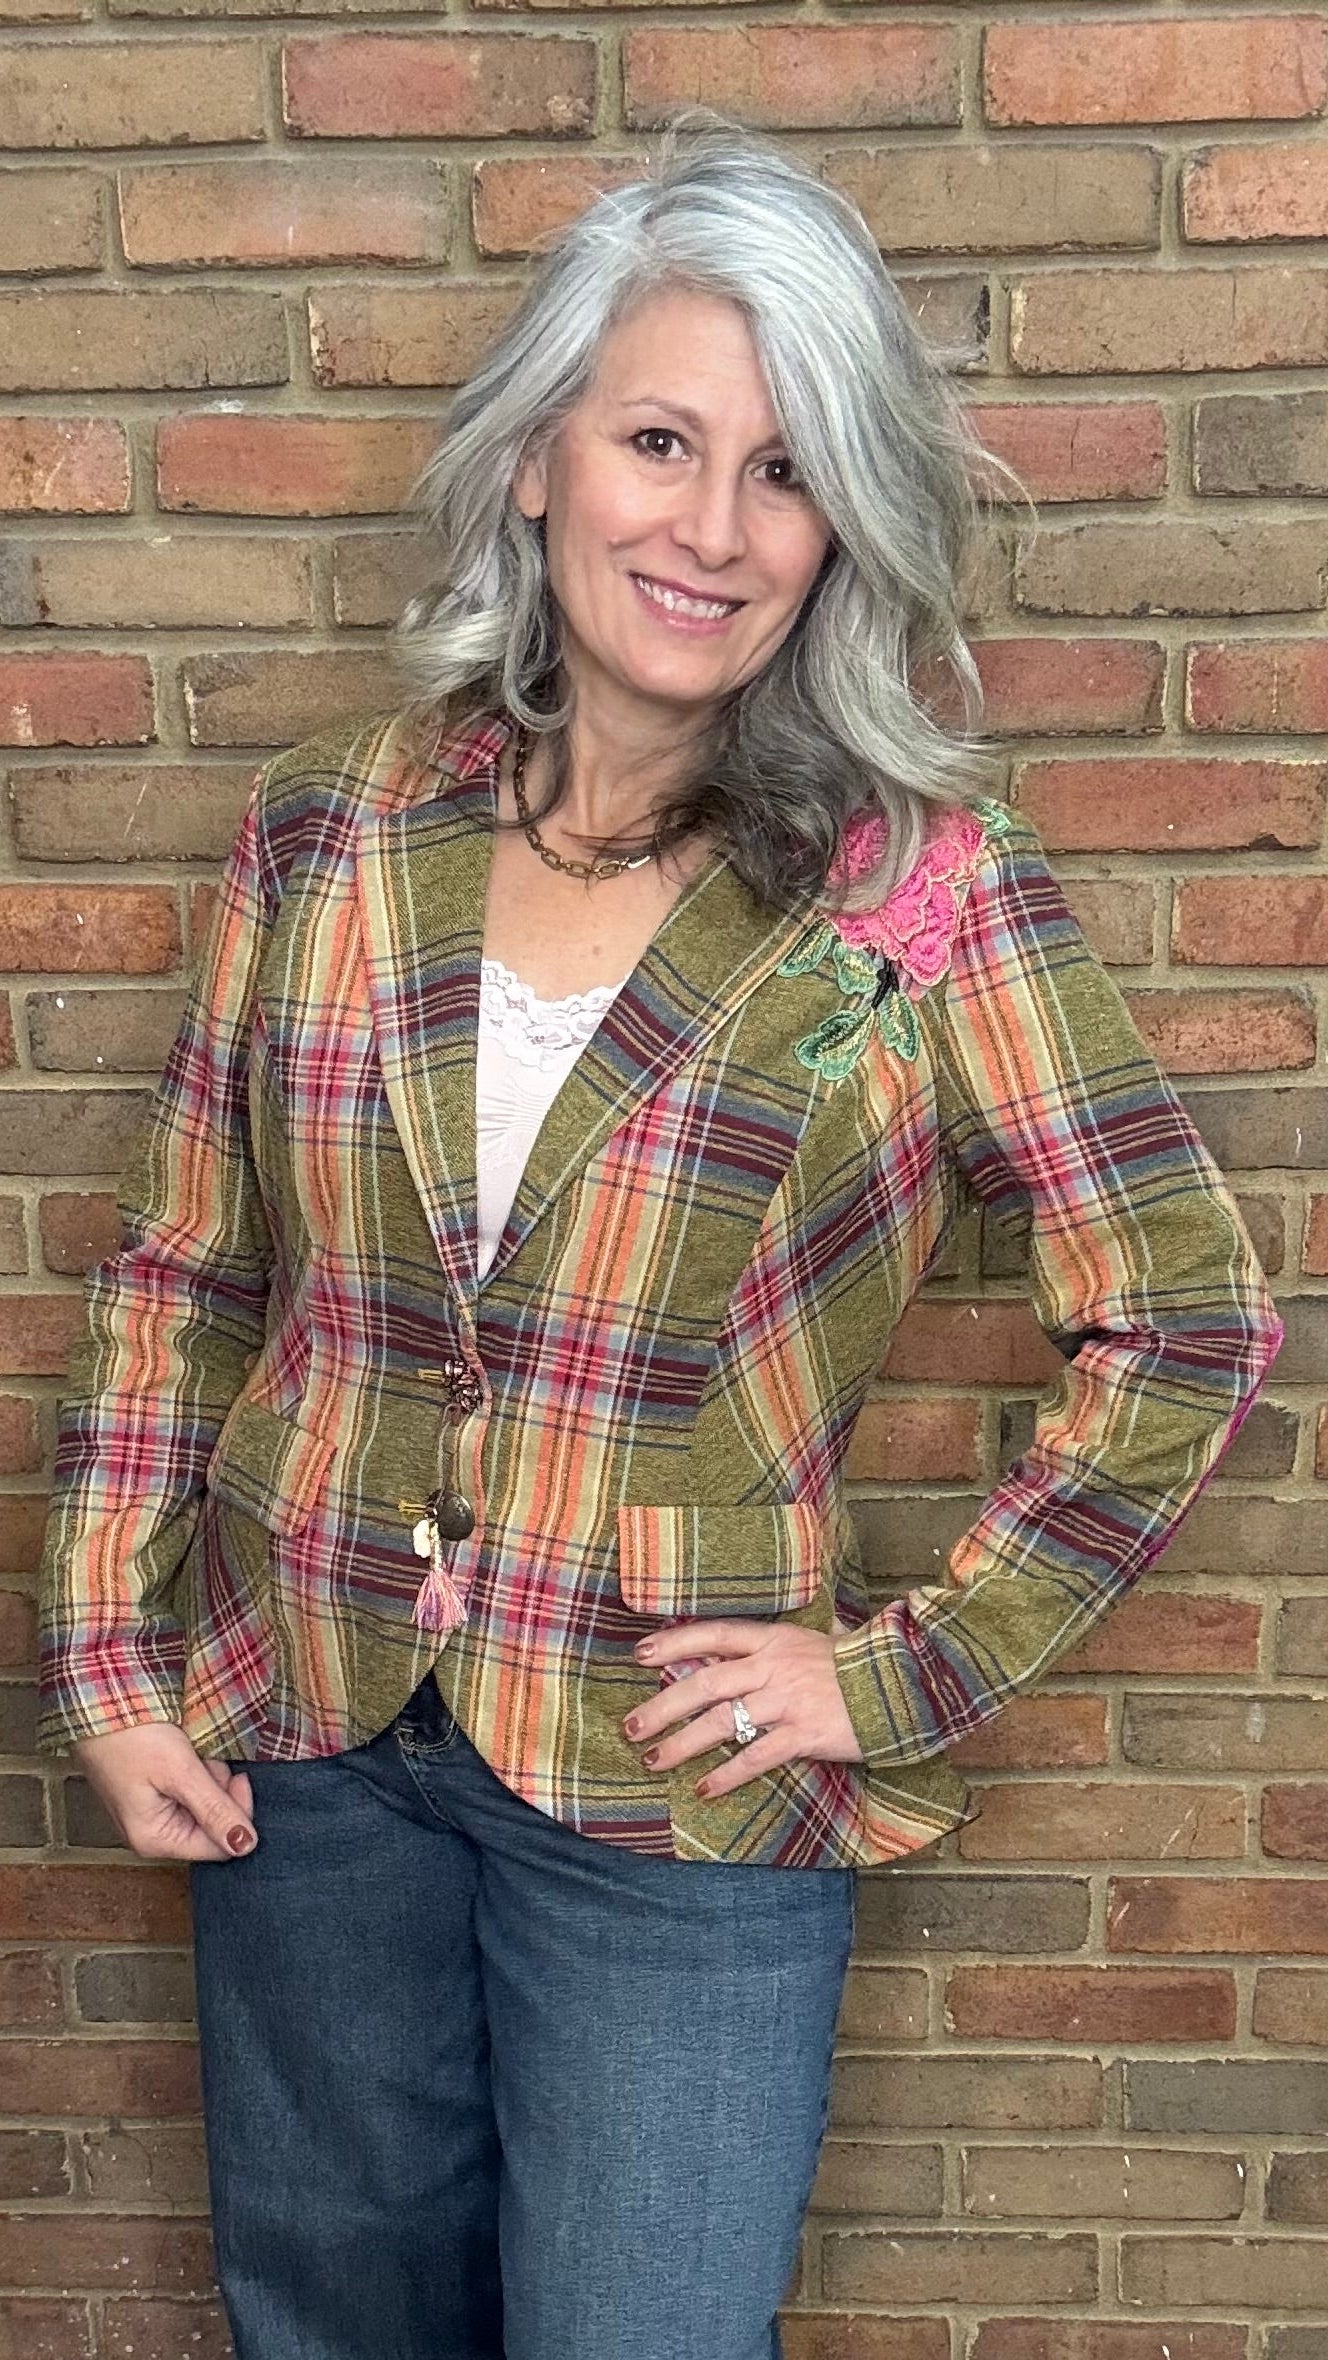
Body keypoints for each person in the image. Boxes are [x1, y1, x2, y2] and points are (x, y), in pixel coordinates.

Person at [36, 112, 1283, 2360]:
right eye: (660, 440)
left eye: (786, 471)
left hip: (675, 1803)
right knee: (325, 2320)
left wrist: (895, 1669)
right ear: (537, 461)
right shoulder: (331, 835)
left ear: (843, 529)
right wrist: (111, 1665)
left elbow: (1187, 1314)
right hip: (303, 1740)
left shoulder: (920, 898)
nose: (710, 528)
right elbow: (188, 1271)